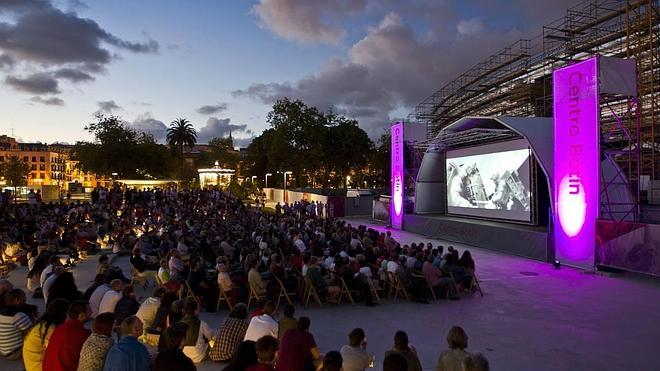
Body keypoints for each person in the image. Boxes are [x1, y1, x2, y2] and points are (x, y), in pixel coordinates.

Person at [43, 300, 92, 371]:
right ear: (81, 315)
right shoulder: (81, 334)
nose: (92, 312)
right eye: (89, 311)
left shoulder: (60, 328)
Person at [23, 298, 69, 371]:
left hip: (31, 363)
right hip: (37, 367)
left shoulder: (43, 323)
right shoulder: (50, 329)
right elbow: (56, 352)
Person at [0, 289, 33, 359]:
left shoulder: (1, 313)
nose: (25, 299)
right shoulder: (18, 316)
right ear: (17, 300)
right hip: (15, 352)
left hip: (4, 350)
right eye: (24, 297)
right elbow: (32, 333)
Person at [180, 299, 215, 363]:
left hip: (183, 355)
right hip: (198, 356)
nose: (199, 310)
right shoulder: (202, 323)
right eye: (198, 309)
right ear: (195, 311)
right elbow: (210, 337)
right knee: (212, 343)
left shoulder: (179, 323)